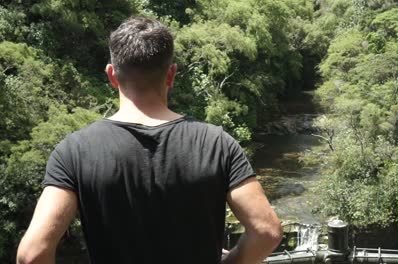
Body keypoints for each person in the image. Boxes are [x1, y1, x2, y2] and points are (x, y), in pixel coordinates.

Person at [16, 16, 282, 264]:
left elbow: (32, 253)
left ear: (111, 75)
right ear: (171, 75)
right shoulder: (216, 143)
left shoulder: (74, 151)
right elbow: (267, 232)